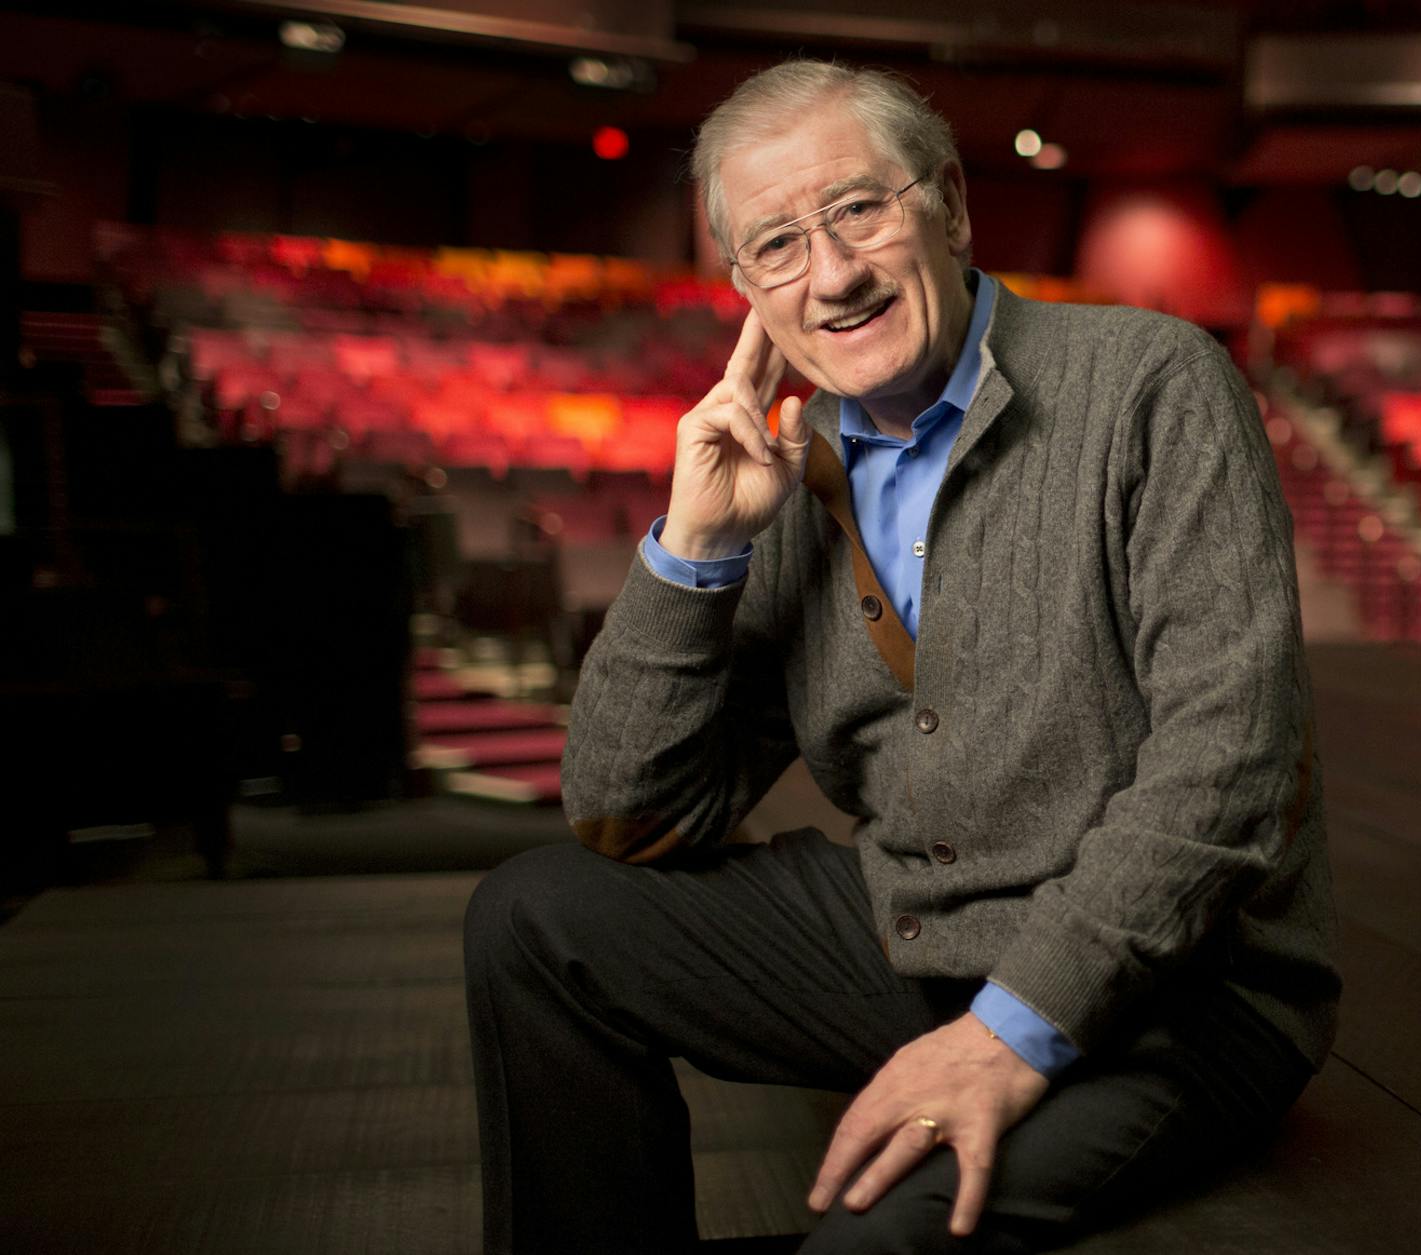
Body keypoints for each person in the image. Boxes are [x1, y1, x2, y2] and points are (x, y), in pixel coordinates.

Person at [462, 58, 1339, 1254]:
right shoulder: (792, 464)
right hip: (923, 939)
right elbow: (629, 814)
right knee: (537, 917)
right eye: (777, 245)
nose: (830, 275)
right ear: (746, 290)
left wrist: (1004, 1036)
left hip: (1182, 995)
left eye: (858, 210)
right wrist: (697, 550)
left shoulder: (1152, 383)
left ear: (952, 208)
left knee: (873, 1240)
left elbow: (1228, 769)